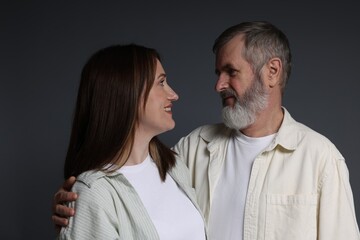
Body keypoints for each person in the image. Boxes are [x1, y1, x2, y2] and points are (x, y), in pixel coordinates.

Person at [53, 22, 360, 240]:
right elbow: (125, 187)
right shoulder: (191, 149)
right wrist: (76, 204)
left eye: (231, 71)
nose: (218, 85)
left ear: (272, 71)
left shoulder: (321, 159)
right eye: (218, 73)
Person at [56, 44, 207, 239]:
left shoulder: (174, 166)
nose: (174, 95)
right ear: (127, 93)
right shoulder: (94, 192)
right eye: (161, 83)